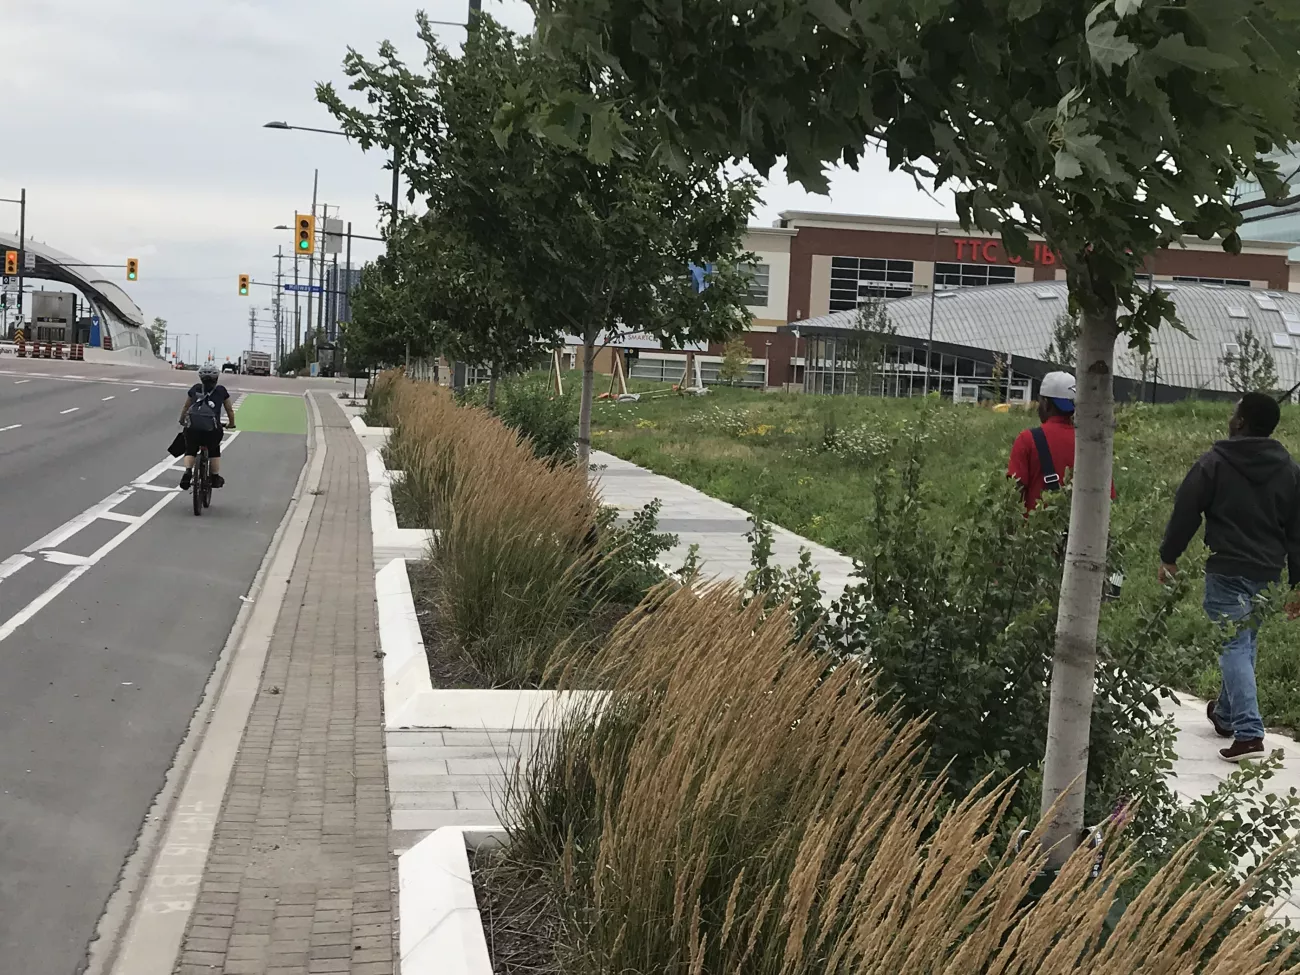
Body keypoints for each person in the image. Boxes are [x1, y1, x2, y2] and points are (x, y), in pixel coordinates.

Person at [1159, 392, 1300, 763]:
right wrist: (1298, 582)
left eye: (1234, 412)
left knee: (1233, 645)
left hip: (1227, 570)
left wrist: (1169, 556)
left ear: (1241, 422)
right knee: (1244, 642)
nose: (1229, 416)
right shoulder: (1289, 468)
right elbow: (1298, 530)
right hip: (1268, 573)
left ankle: (1250, 733)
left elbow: (1187, 508)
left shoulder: (1215, 462)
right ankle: (1224, 714)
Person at [1007, 371, 1115, 513]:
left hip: (1034, 532)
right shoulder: (1093, 443)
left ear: (1046, 404)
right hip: (1084, 533)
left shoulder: (1028, 440)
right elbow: (1107, 497)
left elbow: (1014, 495)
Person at [179, 361, 235, 490]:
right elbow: (229, 410)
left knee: (190, 449)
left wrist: (182, 420)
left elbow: (186, 407)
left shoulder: (195, 388)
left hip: (193, 428)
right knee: (214, 450)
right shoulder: (221, 390)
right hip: (212, 430)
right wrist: (231, 424)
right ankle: (215, 477)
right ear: (216, 377)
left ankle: (188, 472)